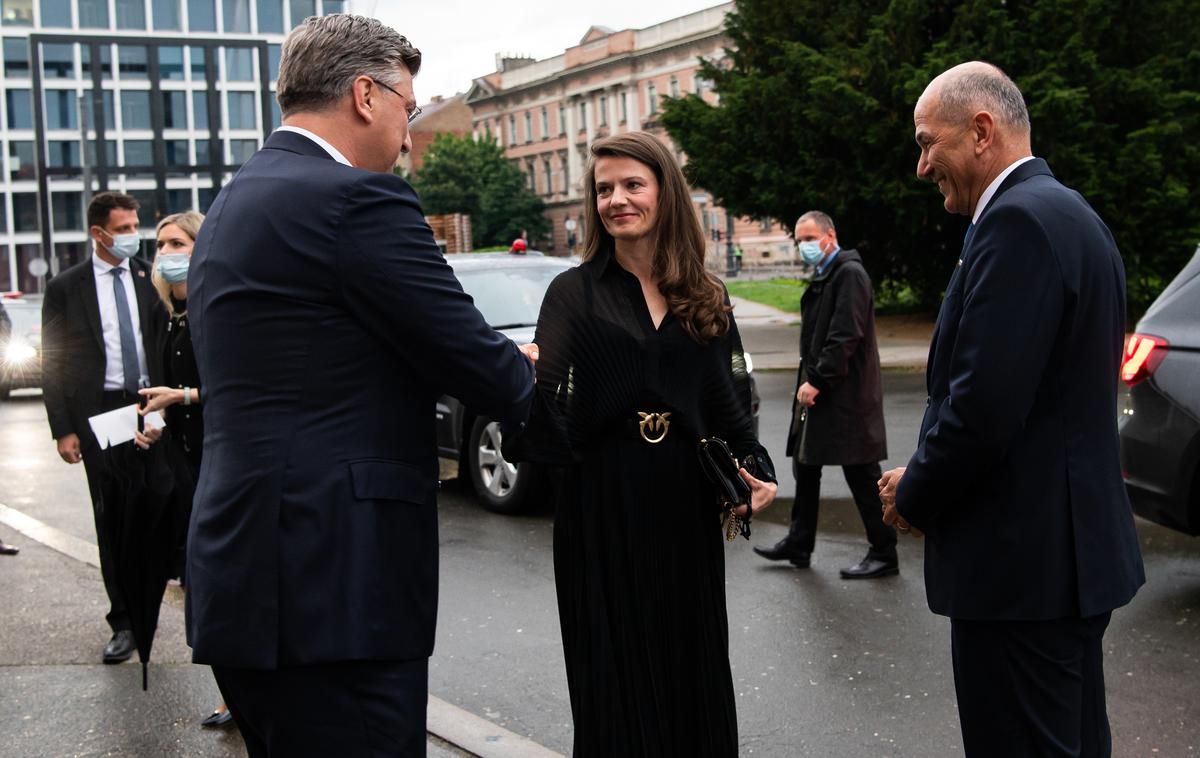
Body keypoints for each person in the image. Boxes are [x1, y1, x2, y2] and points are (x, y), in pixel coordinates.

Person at [184, 15, 535, 756]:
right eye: (409, 107)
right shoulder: (356, 202)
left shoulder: (234, 202)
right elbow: (475, 359)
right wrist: (541, 376)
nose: (410, 134)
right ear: (366, 94)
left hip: (249, 578)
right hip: (336, 593)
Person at [879, 62, 1144, 756]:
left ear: (982, 131)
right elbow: (1033, 394)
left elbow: (983, 411)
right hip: (1065, 564)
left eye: (928, 142)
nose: (921, 164)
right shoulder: (1069, 212)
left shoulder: (1018, 222)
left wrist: (917, 491)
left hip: (1022, 574)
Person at [507, 131, 778, 756]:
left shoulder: (705, 292)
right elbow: (549, 398)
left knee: (692, 661)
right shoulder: (573, 293)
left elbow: (728, 399)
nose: (616, 200)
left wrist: (752, 468)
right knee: (612, 670)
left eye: (632, 185)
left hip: (683, 501)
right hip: (599, 500)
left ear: (665, 193)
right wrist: (520, 375)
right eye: (604, 189)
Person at [41, 191, 167, 664]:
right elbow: (52, 362)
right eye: (125, 228)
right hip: (98, 416)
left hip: (148, 405)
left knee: (160, 508)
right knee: (112, 518)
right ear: (99, 233)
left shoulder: (148, 277)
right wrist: (63, 429)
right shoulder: (65, 287)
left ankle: (155, 608)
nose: (135, 235)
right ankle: (125, 622)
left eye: (137, 226)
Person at [754, 211, 896, 578]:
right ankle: (799, 543)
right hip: (826, 392)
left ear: (830, 235)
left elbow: (844, 335)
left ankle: (884, 551)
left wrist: (817, 379)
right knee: (806, 463)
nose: (804, 246)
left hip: (845, 394)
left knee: (861, 473)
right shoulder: (829, 274)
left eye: (810, 238)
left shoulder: (849, 274)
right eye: (799, 240)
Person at [133, 211, 232, 729]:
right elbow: (162, 386)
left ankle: (238, 691)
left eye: (177, 242)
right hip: (183, 464)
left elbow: (245, 388)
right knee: (201, 584)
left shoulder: (219, 309)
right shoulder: (168, 313)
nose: (166, 252)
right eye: (160, 244)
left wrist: (185, 396)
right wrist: (155, 418)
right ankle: (233, 687)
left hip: (223, 461)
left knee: (220, 581)